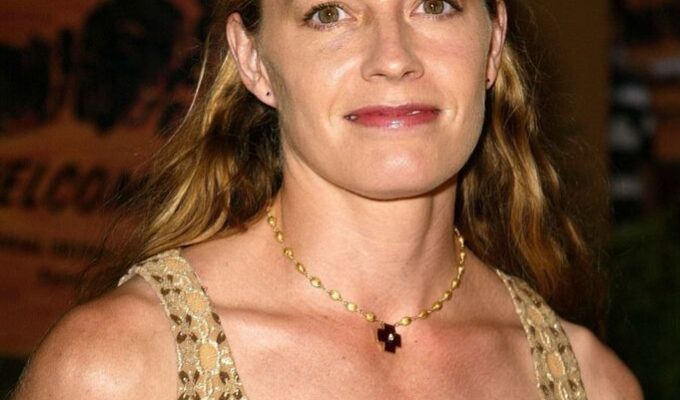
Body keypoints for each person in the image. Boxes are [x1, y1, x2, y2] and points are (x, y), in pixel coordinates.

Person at [12, 0, 643, 399]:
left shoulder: (590, 381)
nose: (393, 59)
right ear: (253, 60)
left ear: (493, 41)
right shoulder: (120, 368)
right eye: (329, 14)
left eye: (434, 5)